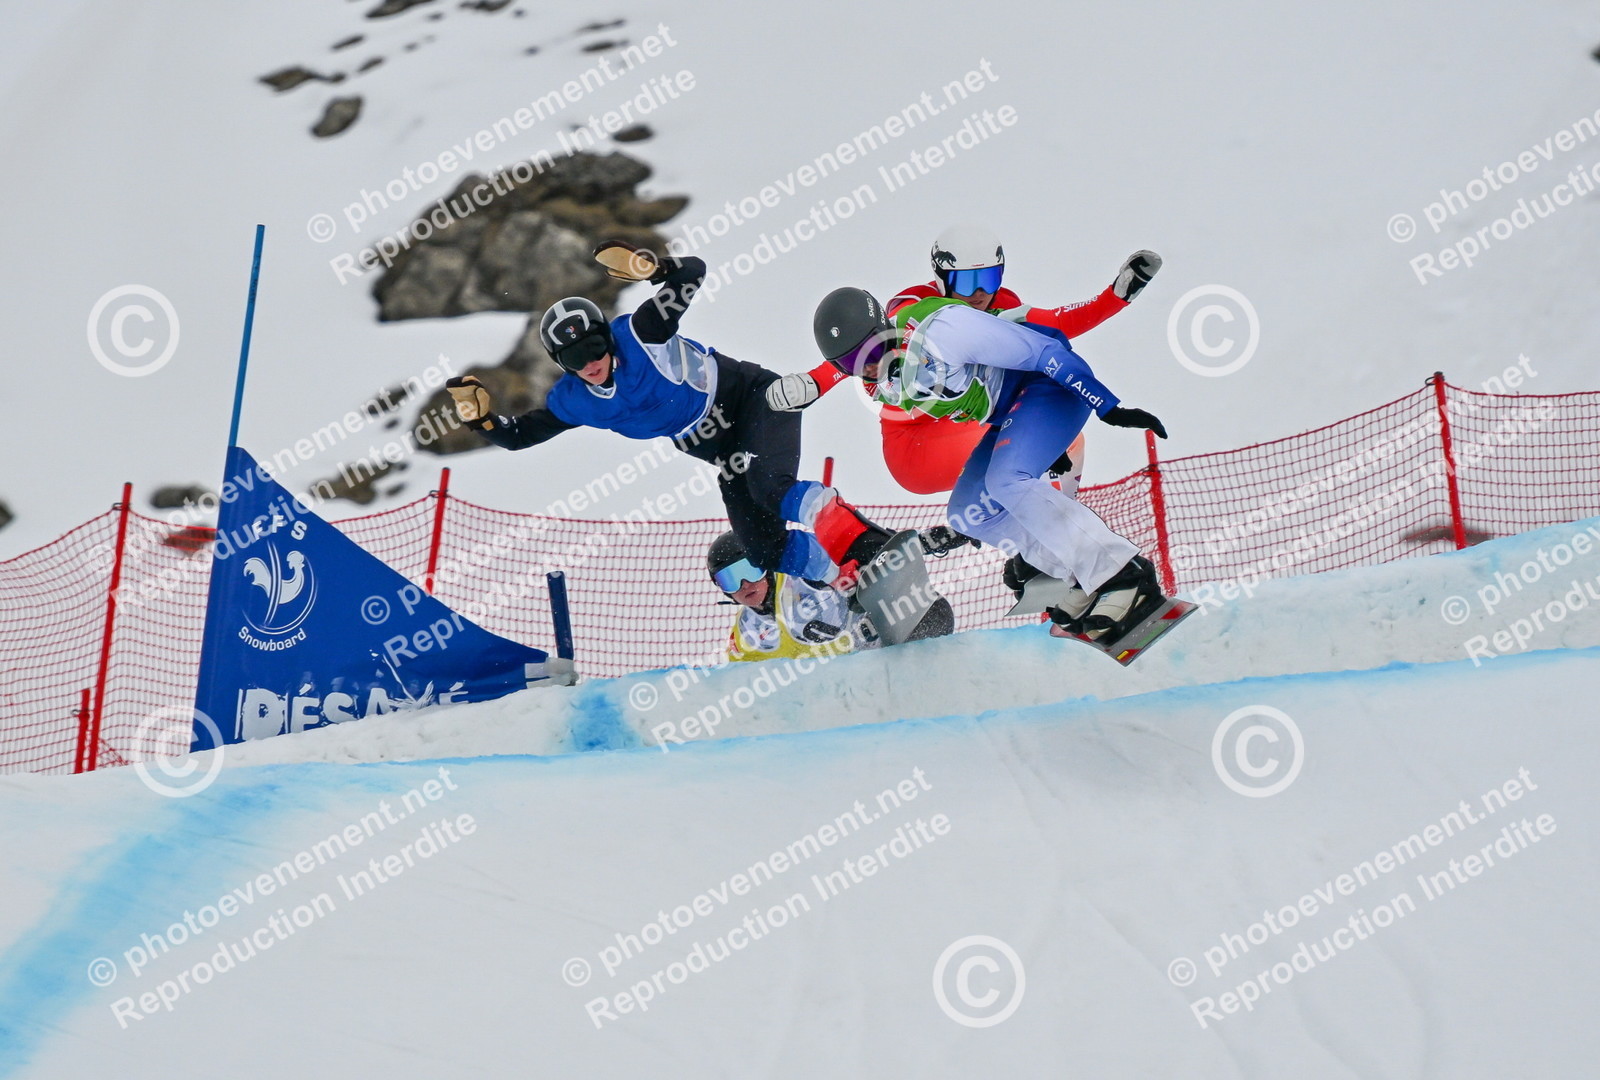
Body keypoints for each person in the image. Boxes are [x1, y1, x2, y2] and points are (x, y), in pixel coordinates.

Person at [444, 254, 890, 589]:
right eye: (574, 358)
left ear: (607, 336)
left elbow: (692, 273)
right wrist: (482, 421)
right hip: (723, 449)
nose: (591, 362)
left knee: (770, 488)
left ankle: (865, 546)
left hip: (753, 400)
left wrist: (654, 268)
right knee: (762, 548)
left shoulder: (642, 333)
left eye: (594, 346)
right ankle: (845, 582)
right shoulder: (575, 401)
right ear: (561, 364)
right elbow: (520, 436)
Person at [810, 285, 1171, 644]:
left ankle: (1122, 573)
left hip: (1050, 387)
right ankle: (1079, 574)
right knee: (968, 513)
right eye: (850, 364)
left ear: (885, 327)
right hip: (1014, 412)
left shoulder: (943, 330)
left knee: (1007, 480)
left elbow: (1044, 351)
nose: (869, 367)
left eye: (872, 351)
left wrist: (1106, 406)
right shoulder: (888, 385)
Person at [767, 225, 1161, 496]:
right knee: (1042, 442)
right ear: (941, 278)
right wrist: (814, 382)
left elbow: (1057, 324)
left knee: (1060, 435)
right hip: (916, 442)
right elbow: (864, 352)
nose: (978, 295)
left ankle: (1052, 545)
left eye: (988, 280)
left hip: (967, 420)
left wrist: (1117, 295)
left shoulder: (1004, 307)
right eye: (967, 283)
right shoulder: (915, 306)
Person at [707, 531, 878, 662]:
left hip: (869, 653)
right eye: (730, 580)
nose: (744, 584)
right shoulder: (746, 631)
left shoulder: (804, 578)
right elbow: (738, 676)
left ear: (764, 565)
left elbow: (839, 559)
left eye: (750, 571)